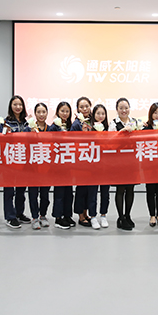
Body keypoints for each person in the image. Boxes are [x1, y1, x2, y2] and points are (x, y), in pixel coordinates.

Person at [109, 97, 140, 231]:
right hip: (119, 162)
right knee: (120, 189)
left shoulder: (135, 122)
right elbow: (110, 141)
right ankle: (120, 217)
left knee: (131, 189)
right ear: (117, 110)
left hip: (132, 161)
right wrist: (121, 132)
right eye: (121, 108)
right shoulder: (113, 123)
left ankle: (128, 215)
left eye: (126, 108)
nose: (124, 110)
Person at [1, 95, 30, 229]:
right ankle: (10, 217)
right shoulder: (5, 122)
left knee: (21, 190)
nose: (18, 107)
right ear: (10, 106)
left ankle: (19, 213)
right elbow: (1, 139)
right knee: (9, 190)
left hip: (24, 159)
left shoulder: (26, 122)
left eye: (20, 105)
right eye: (15, 104)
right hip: (10, 160)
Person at [50, 101, 76, 229]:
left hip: (69, 164)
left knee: (69, 192)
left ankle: (67, 215)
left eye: (67, 111)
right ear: (57, 112)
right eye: (62, 111)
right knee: (59, 192)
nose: (65, 113)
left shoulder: (71, 125)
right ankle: (58, 218)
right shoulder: (54, 126)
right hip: (58, 165)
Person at [27, 103, 52, 230]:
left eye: (43, 112)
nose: (41, 115)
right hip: (33, 167)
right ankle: (34, 217)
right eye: (38, 112)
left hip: (47, 168)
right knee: (33, 194)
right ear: (35, 114)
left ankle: (43, 215)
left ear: (47, 113)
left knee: (45, 195)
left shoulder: (51, 128)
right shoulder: (29, 128)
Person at [71, 97, 94, 227]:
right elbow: (71, 143)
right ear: (78, 109)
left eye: (87, 106)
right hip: (80, 161)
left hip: (92, 160)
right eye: (81, 107)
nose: (85, 109)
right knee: (81, 189)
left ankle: (86, 213)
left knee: (89, 190)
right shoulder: (76, 124)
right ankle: (80, 215)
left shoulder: (94, 121)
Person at [88, 104, 110, 229]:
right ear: (93, 115)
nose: (100, 116)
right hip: (93, 167)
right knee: (92, 193)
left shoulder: (109, 129)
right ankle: (93, 216)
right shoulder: (89, 129)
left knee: (105, 193)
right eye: (98, 113)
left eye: (103, 114)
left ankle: (103, 215)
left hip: (106, 166)